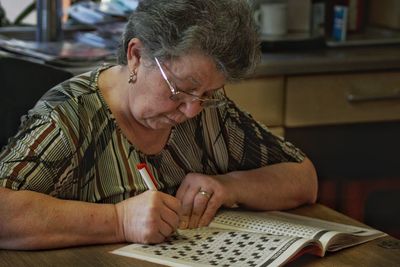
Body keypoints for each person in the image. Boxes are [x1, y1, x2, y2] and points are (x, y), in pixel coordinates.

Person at [0, 0, 317, 250]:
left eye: (208, 93)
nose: (193, 110)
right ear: (136, 56)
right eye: (181, 89)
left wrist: (230, 186)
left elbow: (303, 178)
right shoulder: (71, 118)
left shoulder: (209, 115)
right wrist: (119, 220)